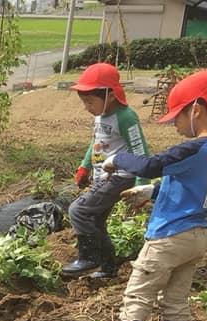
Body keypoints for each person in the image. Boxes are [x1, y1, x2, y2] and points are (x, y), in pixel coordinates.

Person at [90, 70, 207, 321]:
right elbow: (190, 186)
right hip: (197, 236)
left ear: (196, 109)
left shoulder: (193, 147)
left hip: (170, 235)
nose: (175, 125)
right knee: (176, 296)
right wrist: (152, 192)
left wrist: (117, 158)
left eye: (178, 118)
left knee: (140, 287)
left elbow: (151, 164)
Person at [64, 62, 150, 280]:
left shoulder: (126, 117)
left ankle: (89, 256)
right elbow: (95, 144)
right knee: (95, 221)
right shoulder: (100, 115)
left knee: (78, 211)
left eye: (90, 101)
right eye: (84, 102)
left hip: (120, 176)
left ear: (110, 95)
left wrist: (141, 185)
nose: (87, 106)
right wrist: (84, 166)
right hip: (103, 176)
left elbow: (140, 149)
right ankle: (108, 269)